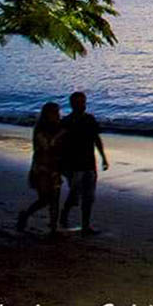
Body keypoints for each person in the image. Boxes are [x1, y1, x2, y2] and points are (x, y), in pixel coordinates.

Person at [59, 91, 109, 234]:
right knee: (75, 195)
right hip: (73, 165)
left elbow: (96, 139)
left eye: (83, 102)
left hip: (89, 163)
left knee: (89, 196)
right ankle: (65, 213)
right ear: (72, 104)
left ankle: (85, 225)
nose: (82, 105)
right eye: (79, 102)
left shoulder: (90, 119)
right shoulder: (66, 122)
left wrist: (103, 157)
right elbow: (60, 144)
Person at [17, 102, 65, 234]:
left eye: (57, 112)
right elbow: (47, 146)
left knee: (55, 198)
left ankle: (54, 228)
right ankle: (26, 215)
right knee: (45, 198)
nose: (57, 115)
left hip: (54, 167)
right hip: (41, 168)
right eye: (54, 112)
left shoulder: (59, 127)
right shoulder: (40, 129)